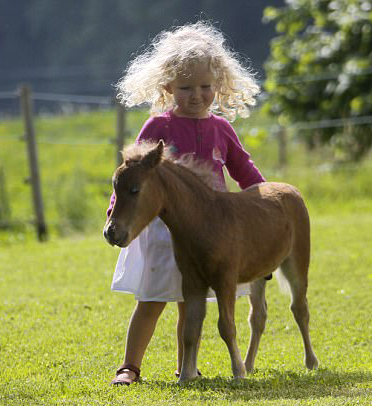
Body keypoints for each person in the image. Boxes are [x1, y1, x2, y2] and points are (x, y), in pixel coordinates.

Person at [107, 21, 265, 385]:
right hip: (162, 229)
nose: (197, 95)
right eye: (186, 87)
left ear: (219, 85)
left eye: (206, 86)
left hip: (212, 231)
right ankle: (129, 366)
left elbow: (244, 169)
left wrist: (263, 202)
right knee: (151, 300)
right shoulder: (158, 127)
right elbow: (132, 174)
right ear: (167, 88)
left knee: (189, 302)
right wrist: (117, 203)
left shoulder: (222, 129)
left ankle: (186, 366)